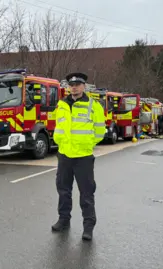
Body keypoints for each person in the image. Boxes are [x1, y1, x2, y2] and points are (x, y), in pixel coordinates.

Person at [51, 72, 106, 241]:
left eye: (77, 84)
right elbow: (58, 127)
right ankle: (64, 220)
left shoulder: (93, 105)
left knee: (87, 193)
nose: (74, 87)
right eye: (71, 84)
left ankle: (88, 226)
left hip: (83, 156)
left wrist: (87, 144)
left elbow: (99, 131)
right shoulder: (61, 105)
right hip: (65, 155)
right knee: (63, 190)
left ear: (83, 86)